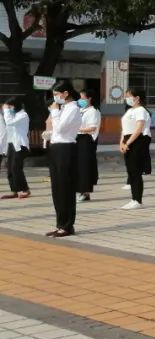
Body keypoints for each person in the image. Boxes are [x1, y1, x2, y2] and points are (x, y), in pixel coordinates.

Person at [46, 81, 82, 237]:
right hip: (56, 148)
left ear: (66, 93)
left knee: (65, 187)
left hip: (66, 150)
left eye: (57, 94)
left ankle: (67, 225)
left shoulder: (73, 108)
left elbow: (60, 128)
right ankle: (60, 223)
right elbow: (55, 130)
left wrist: (54, 112)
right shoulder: (63, 108)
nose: (55, 98)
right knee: (57, 188)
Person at [118, 89, 151, 210]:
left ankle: (138, 200)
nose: (127, 99)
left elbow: (138, 129)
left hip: (137, 140)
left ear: (137, 98)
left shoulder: (141, 110)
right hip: (128, 139)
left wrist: (128, 142)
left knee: (136, 171)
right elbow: (124, 129)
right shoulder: (130, 110)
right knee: (131, 171)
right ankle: (133, 198)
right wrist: (121, 142)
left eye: (129, 96)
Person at [2, 98, 30, 200]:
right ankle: (14, 190)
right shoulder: (13, 115)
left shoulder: (23, 115)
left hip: (20, 145)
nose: (9, 109)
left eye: (10, 107)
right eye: (8, 107)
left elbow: (9, 122)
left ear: (16, 106)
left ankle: (24, 190)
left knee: (16, 168)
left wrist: (5, 110)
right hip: (11, 144)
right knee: (10, 168)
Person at [75, 90, 100, 203]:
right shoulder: (80, 110)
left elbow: (92, 128)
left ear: (89, 99)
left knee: (85, 166)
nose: (80, 100)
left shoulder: (93, 111)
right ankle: (80, 190)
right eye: (79, 98)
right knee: (78, 166)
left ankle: (85, 192)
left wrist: (76, 129)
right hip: (78, 139)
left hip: (86, 140)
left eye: (82, 98)